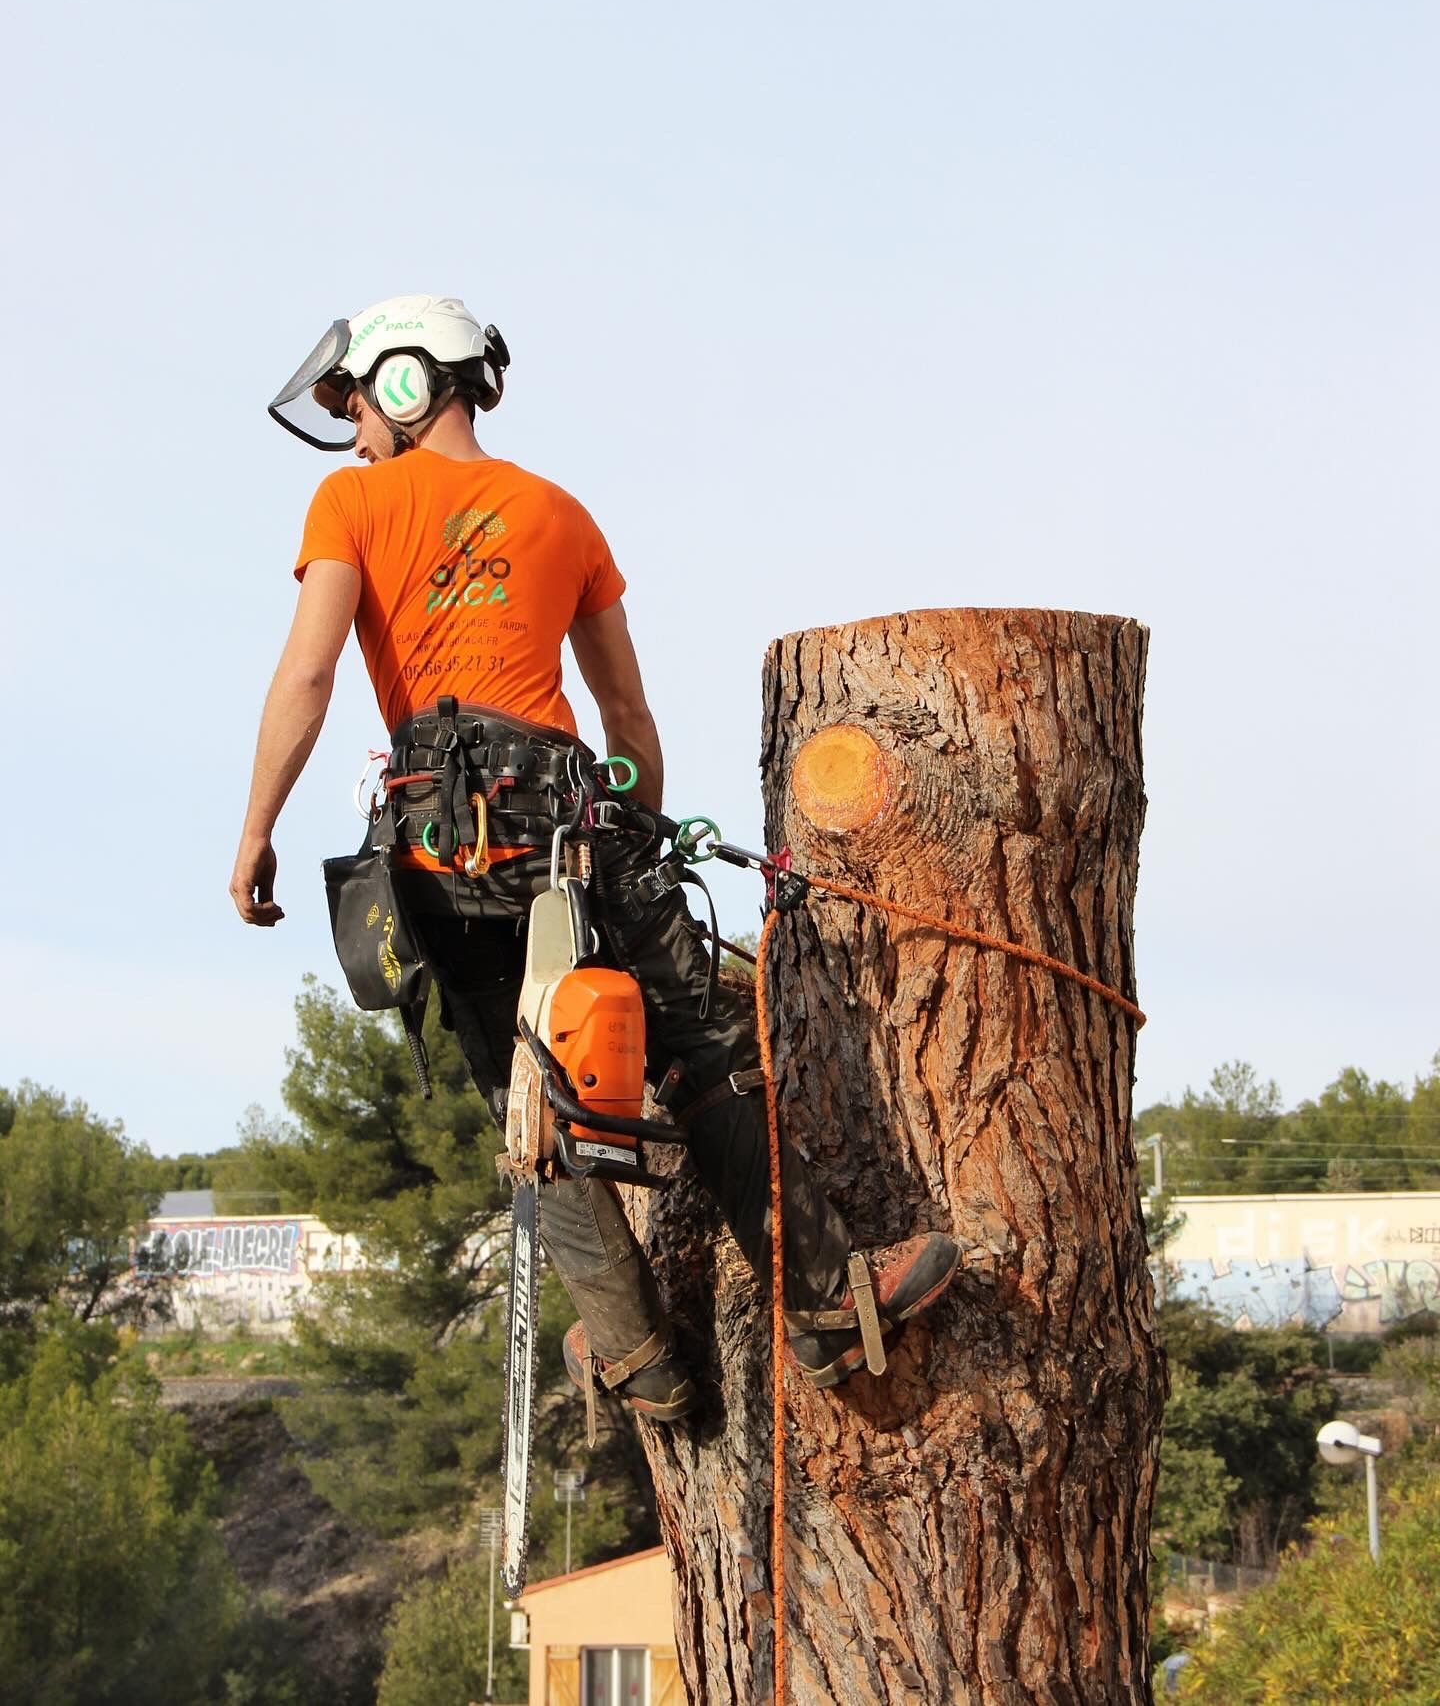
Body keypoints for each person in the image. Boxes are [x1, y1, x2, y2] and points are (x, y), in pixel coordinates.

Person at [231, 293, 959, 1422]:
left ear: (415, 383)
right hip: (577, 821)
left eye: (362, 399)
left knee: (533, 1096)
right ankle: (827, 1301)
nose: (355, 427)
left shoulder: (351, 503)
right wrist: (642, 859)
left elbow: (311, 676)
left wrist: (255, 829)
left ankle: (638, 1355)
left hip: (448, 837)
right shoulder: (562, 514)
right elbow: (629, 717)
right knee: (706, 1052)